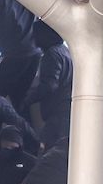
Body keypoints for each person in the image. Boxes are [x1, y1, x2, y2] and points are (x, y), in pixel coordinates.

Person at [24, 19, 72, 148]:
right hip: (67, 110)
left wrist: (27, 100)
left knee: (50, 151)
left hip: (58, 113)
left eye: (36, 35)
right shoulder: (67, 52)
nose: (34, 40)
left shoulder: (52, 54)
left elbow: (49, 85)